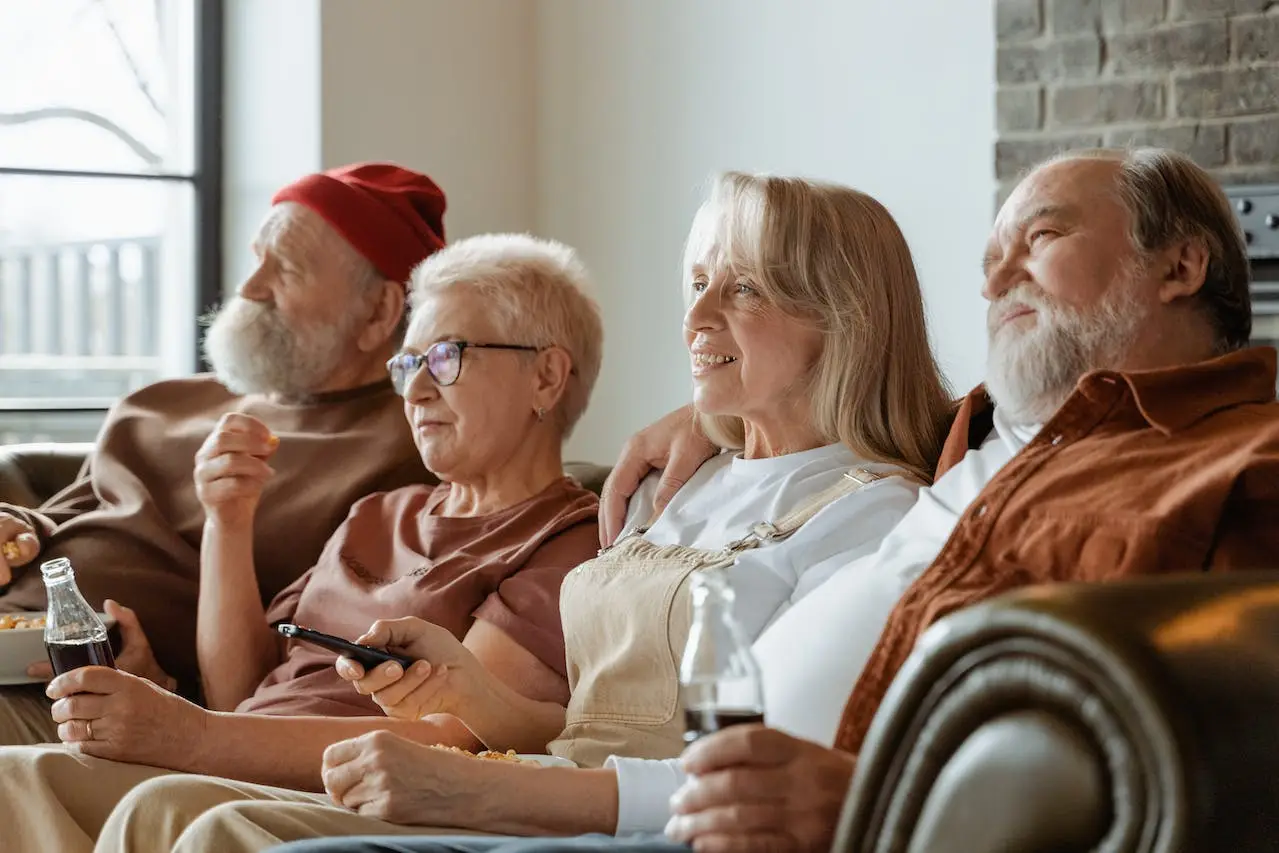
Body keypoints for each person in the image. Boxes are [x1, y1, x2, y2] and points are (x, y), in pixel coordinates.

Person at [271, 146, 1279, 853]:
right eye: (989, 260)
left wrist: (874, 805)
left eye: (1040, 237)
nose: (992, 278)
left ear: (1179, 264)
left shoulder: (1229, 461)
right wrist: (712, 415)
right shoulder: (980, 436)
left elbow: (1213, 750)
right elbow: (837, 406)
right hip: (688, 801)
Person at [11, 170, 956, 853]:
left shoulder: (876, 519)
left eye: (738, 285)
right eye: (695, 283)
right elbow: (567, 716)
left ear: (843, 313)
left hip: (584, 800)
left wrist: (469, 758)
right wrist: (470, 691)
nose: (694, 315)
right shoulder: (678, 480)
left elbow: (740, 769)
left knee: (188, 819)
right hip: (543, 770)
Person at [0, 232, 608, 853]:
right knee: (10, 778)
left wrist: (192, 737)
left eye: (447, 357)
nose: (419, 390)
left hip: (338, 794)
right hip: (229, 760)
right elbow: (240, 693)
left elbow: (457, 737)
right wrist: (227, 522)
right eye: (409, 364)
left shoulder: (567, 541)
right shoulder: (377, 513)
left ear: (547, 377)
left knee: (158, 807)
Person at [0, 163, 448, 745]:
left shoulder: (409, 452)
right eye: (255, 257)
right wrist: (21, 530)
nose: (249, 287)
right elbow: (68, 518)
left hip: (97, 703)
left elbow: (309, 674)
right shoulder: (158, 403)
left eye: (284, 268)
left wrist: (167, 688)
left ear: (380, 312)